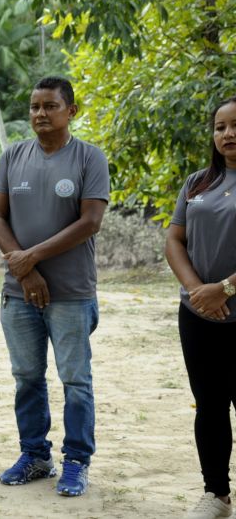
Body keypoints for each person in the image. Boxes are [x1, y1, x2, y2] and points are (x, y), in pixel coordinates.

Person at [0, 76, 109, 497]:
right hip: (18, 292)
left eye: (50, 106)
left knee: (75, 379)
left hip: (72, 293)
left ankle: (76, 461)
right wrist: (23, 271)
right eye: (35, 106)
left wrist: (32, 257)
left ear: (71, 111)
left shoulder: (89, 158)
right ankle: (35, 455)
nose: (40, 113)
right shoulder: (13, 156)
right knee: (26, 377)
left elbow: (90, 221)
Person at [165, 96, 236, 519]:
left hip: (227, 305)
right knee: (209, 404)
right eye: (220, 127)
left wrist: (225, 288)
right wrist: (198, 292)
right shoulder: (197, 183)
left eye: (235, 125)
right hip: (199, 315)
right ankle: (217, 494)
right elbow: (175, 240)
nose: (228, 134)